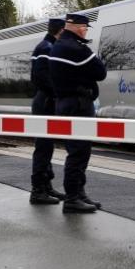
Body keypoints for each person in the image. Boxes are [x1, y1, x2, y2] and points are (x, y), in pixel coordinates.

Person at [49, 12, 107, 214]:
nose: (86, 31)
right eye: (85, 28)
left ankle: (79, 193)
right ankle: (73, 197)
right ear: (80, 28)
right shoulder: (75, 48)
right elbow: (100, 72)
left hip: (67, 103)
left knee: (78, 150)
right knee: (79, 152)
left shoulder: (59, 46)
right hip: (78, 105)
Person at [28, 18, 67, 205]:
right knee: (43, 147)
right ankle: (38, 190)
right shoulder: (47, 48)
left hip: (45, 100)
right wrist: (58, 92)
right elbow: (40, 76)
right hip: (45, 101)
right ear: (60, 31)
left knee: (47, 146)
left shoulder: (45, 46)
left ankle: (46, 186)